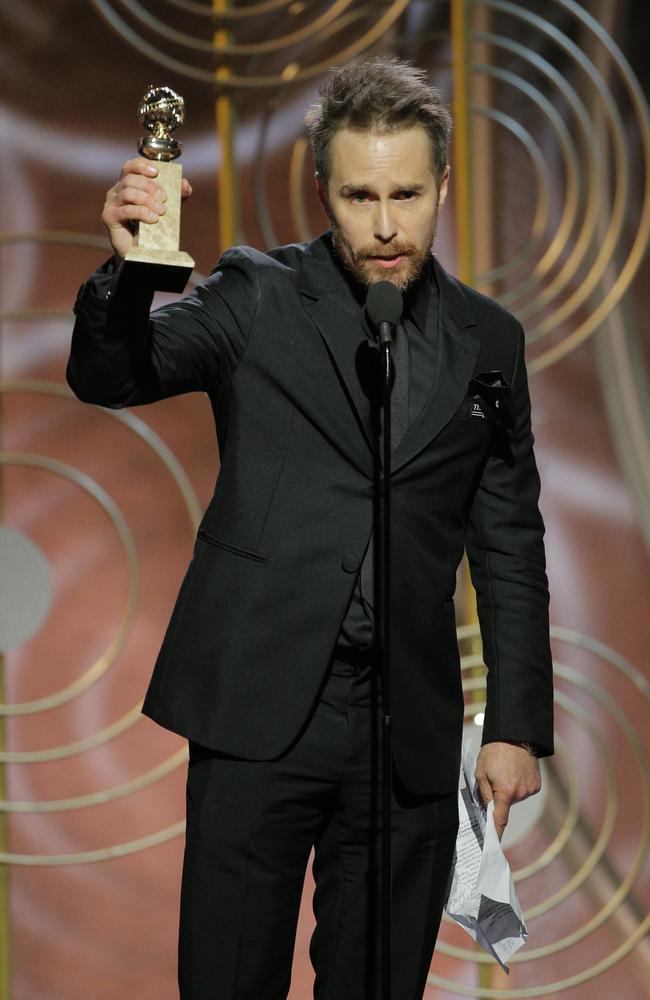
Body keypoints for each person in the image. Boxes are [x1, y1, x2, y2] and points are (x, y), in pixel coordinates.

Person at [68, 57, 553, 1000]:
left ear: (443, 186)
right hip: (259, 711)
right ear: (323, 189)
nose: (383, 225)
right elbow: (114, 375)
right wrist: (128, 270)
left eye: (407, 194)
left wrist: (518, 726)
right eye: (360, 194)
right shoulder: (257, 296)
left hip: (405, 731)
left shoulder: (488, 340)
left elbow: (508, 539)